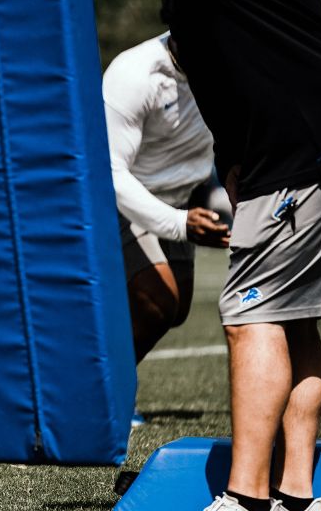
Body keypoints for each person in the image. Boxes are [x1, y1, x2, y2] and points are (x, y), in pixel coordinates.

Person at [0, 0, 321, 511]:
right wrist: (235, 163)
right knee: (292, 321)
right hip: (296, 158)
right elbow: (234, 73)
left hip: (299, 160)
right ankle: (294, 495)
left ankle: (247, 499)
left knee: (251, 317)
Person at [103, 32, 228, 426]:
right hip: (127, 199)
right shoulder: (134, 73)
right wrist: (178, 224)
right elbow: (112, 172)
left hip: (185, 196)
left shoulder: (230, 57)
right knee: (158, 302)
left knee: (175, 311)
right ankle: (102, 397)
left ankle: (97, 363)